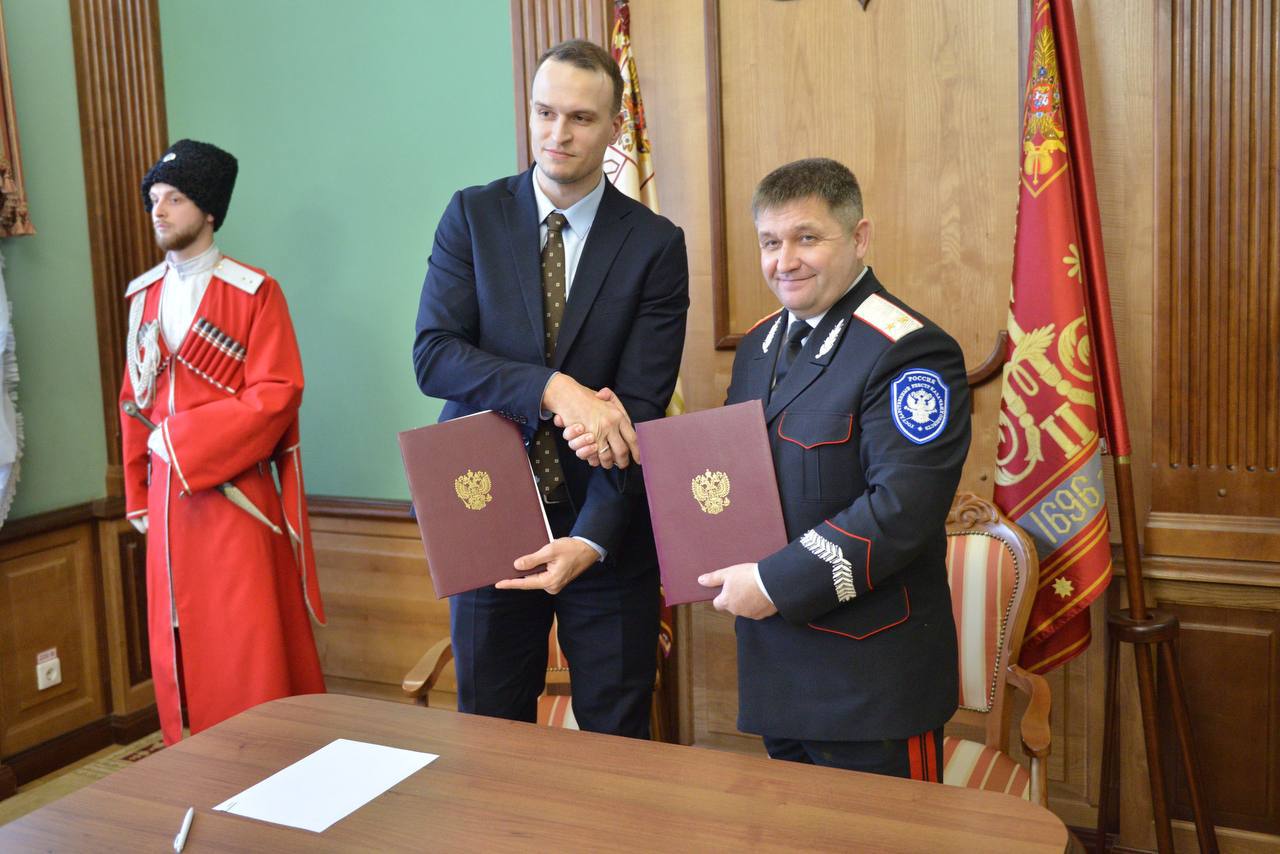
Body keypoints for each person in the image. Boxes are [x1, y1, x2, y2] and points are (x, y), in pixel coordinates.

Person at [413, 39, 688, 738]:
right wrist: (553, 388)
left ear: (615, 128)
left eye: (580, 118)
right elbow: (435, 357)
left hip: (608, 529)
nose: (557, 133)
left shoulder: (655, 244)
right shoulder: (472, 216)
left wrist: (591, 539)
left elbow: (639, 410)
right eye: (544, 112)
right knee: (490, 738)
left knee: (616, 747)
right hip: (487, 513)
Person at [698, 157, 970, 779]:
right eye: (771, 242)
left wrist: (773, 584)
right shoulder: (759, 345)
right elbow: (736, 476)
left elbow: (901, 510)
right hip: (776, 672)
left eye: (807, 238)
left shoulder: (909, 349)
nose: (785, 261)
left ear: (859, 237)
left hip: (870, 686)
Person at [120, 139, 326, 745]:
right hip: (166, 504)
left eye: (175, 199)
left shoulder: (254, 292)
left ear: (209, 210)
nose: (159, 211)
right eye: (155, 199)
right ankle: (198, 769)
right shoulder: (141, 296)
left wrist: (183, 441)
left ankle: (265, 761)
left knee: (245, 643)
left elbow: (278, 392)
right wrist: (138, 489)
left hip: (237, 499)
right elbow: (133, 400)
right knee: (179, 641)